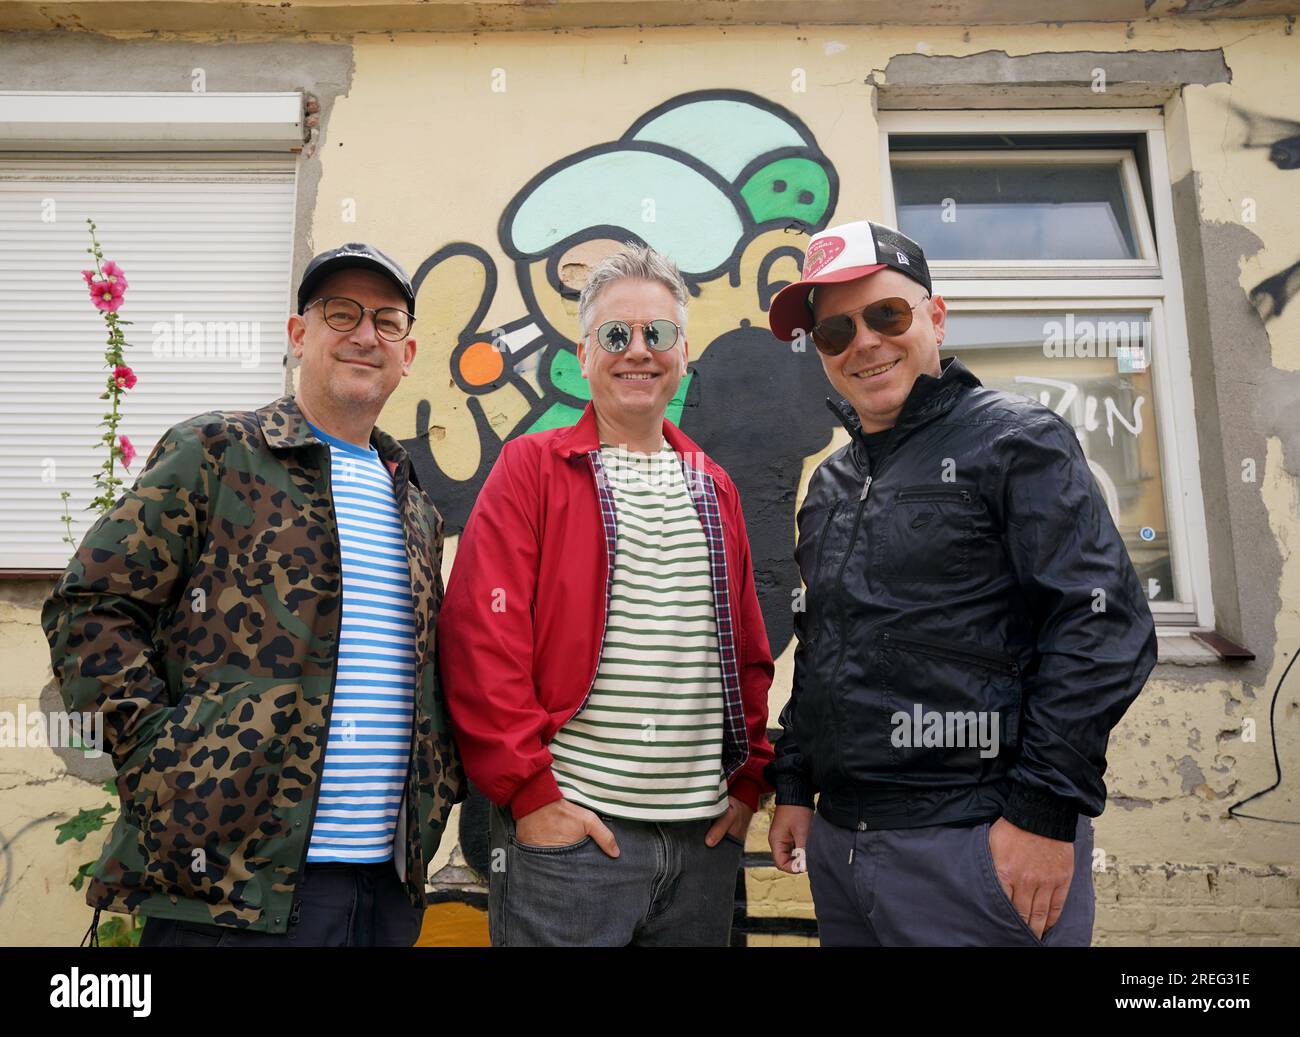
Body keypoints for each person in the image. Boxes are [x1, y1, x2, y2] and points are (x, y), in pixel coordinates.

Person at [42, 243, 464, 947]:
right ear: (300, 335)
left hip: (383, 893)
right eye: (342, 314)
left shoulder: (414, 503)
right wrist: (161, 762)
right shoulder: (218, 451)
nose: (365, 335)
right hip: (229, 892)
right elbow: (90, 604)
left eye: (386, 322)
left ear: (408, 351)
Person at [764, 219, 1157, 946]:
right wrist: (794, 784)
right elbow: (823, 645)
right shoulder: (832, 482)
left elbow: (1102, 627)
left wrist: (1043, 808)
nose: (865, 343)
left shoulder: (1015, 440)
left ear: (935, 317)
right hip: (845, 846)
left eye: (886, 314)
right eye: (835, 332)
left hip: (974, 846)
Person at [438, 243, 774, 946]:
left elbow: (747, 652)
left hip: (702, 851)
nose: (638, 352)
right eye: (617, 335)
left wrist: (747, 789)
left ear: (683, 352)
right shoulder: (532, 467)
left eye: (659, 334)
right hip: (571, 847)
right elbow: (480, 637)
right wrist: (532, 797)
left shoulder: (715, 488)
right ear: (585, 353)